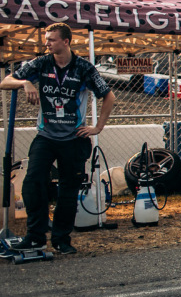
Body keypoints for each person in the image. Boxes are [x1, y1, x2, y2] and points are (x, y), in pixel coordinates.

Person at [0, 23, 116, 254]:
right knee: (33, 182)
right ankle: (35, 237)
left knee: (68, 190)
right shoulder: (42, 63)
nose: (47, 43)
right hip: (46, 135)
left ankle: (62, 239)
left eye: (52, 39)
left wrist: (97, 127)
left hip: (73, 138)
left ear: (66, 41)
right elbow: (4, 82)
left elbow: (109, 96)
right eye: (46, 39)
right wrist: (25, 82)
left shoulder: (84, 68)